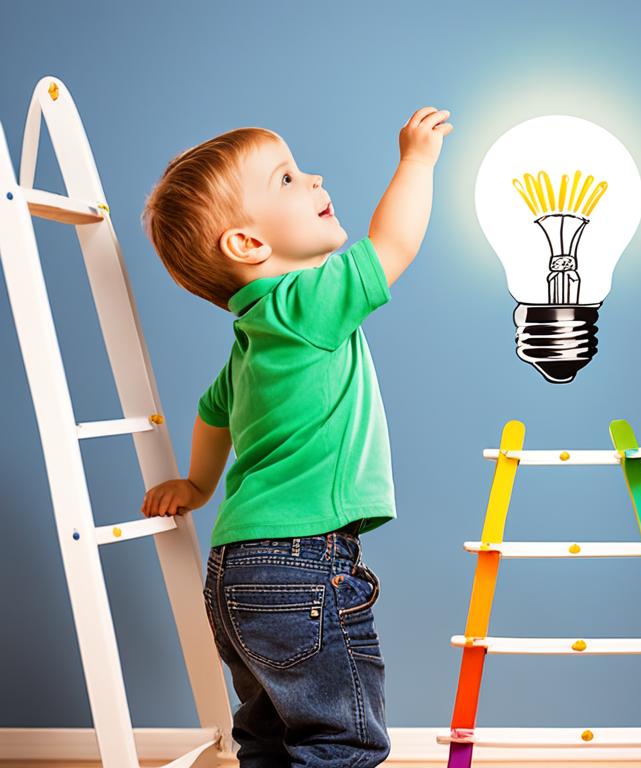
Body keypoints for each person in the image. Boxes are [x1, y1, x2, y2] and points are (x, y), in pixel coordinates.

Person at [138, 106, 453, 766]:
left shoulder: (250, 340)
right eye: (286, 179)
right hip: (302, 568)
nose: (313, 178)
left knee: (271, 738)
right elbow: (393, 246)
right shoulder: (307, 304)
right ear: (248, 244)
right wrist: (417, 162)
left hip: (234, 576)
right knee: (343, 738)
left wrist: (198, 483)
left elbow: (212, 412)